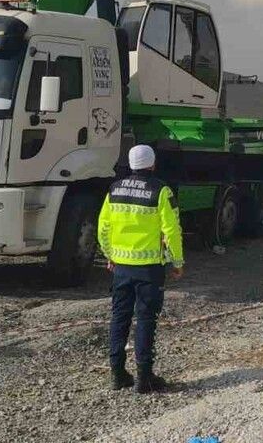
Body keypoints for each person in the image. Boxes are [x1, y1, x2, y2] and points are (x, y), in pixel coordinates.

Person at [97, 144, 184, 392]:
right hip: (149, 268)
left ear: (130, 164)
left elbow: (103, 227)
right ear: (153, 164)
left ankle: (117, 374)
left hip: (121, 267)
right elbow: (172, 229)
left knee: (119, 318)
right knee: (145, 320)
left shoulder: (114, 189)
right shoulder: (161, 191)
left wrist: (110, 255)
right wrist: (176, 262)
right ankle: (144, 378)